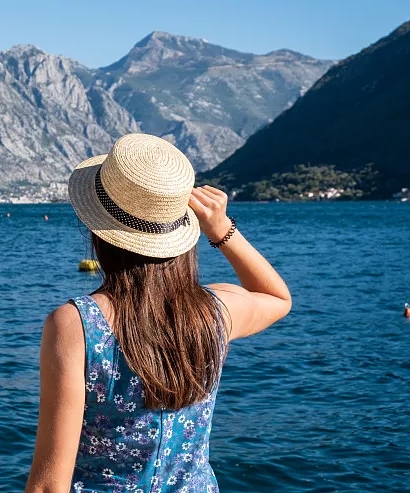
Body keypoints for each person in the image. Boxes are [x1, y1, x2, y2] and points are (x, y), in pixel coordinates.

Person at [24, 134, 292, 493]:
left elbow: (47, 486)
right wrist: (222, 229)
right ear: (181, 231)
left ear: (99, 231)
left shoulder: (77, 325)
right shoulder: (214, 313)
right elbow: (276, 297)